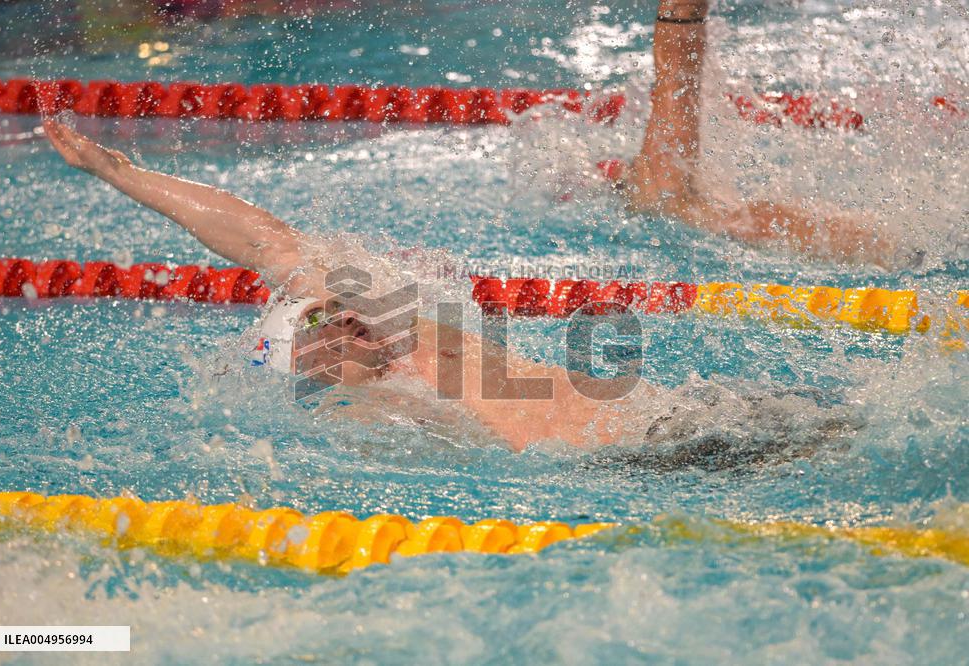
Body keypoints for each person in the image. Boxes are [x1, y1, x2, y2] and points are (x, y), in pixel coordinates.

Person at [43, 0, 862, 453]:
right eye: (326, 334)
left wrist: (119, 172)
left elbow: (262, 240)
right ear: (305, 367)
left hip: (677, 410)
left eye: (330, 313)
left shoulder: (396, 323)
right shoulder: (376, 416)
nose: (343, 325)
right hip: (637, 461)